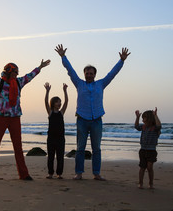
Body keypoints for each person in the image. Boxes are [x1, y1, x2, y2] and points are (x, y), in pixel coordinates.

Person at [54, 44, 130, 181]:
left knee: (97, 149)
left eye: (91, 73)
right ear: (84, 75)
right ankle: (79, 173)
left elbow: (112, 74)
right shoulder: (79, 83)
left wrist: (122, 61)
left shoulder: (101, 83)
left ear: (95, 75)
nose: (89, 75)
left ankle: (96, 173)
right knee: (80, 148)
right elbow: (70, 70)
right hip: (82, 120)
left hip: (97, 120)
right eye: (87, 73)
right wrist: (63, 57)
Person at [44, 82, 68, 179]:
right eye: (58, 101)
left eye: (60, 102)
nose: (60, 103)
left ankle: (59, 173)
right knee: (50, 157)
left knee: (60, 157)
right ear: (53, 103)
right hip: (51, 138)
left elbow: (66, 102)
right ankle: (50, 173)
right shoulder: (50, 112)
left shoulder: (61, 113)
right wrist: (47, 91)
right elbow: (46, 102)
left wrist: (65, 91)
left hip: (60, 139)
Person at [134, 108, 162, 189]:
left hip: (152, 150)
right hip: (143, 150)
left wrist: (155, 115)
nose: (143, 120)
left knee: (150, 167)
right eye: (142, 118)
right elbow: (136, 126)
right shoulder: (143, 127)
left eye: (144, 118)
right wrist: (137, 117)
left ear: (149, 118)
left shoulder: (155, 128)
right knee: (142, 167)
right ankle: (140, 183)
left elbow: (159, 125)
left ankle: (151, 183)